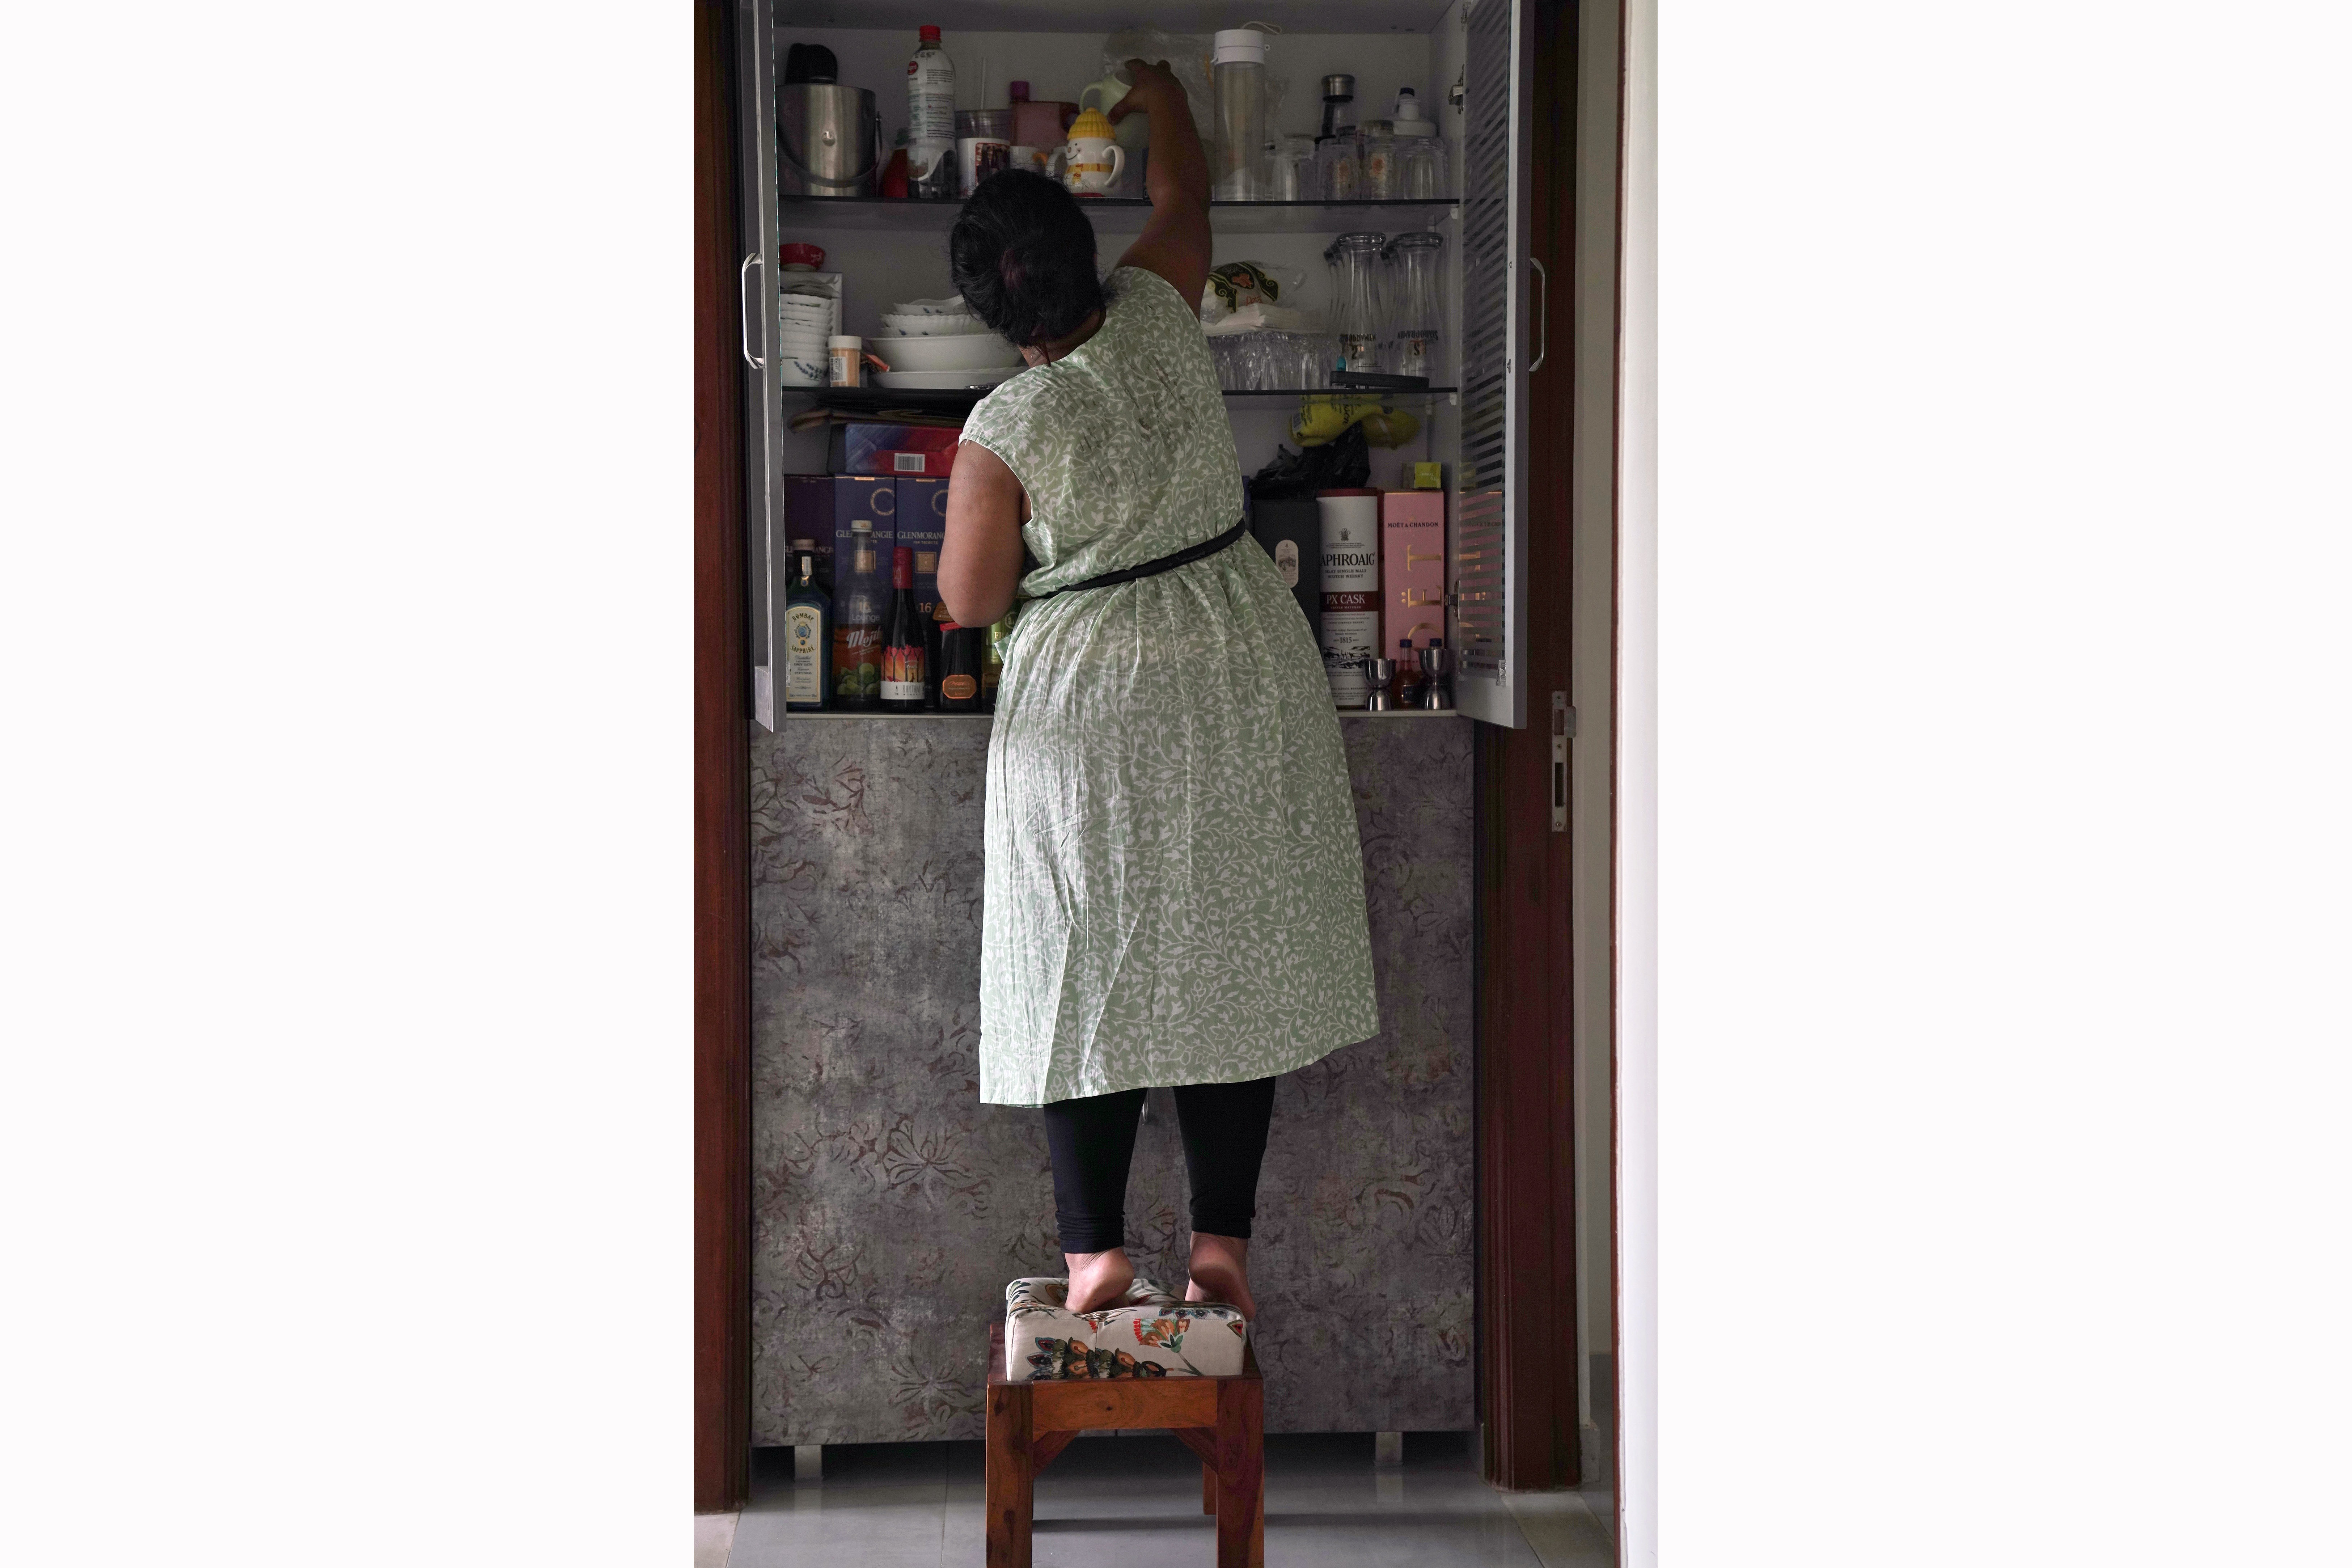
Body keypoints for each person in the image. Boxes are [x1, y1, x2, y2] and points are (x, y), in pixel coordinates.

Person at [938, 61, 1379, 1321]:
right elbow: (1186, 193)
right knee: (1233, 947)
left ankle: (1095, 1255)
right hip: (1239, 658)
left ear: (985, 308)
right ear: (1088, 257)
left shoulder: (1003, 427)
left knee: (1079, 949)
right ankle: (1219, 1240)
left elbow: (969, 601)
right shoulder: (1157, 310)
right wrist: (1160, 93)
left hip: (1092, 696)